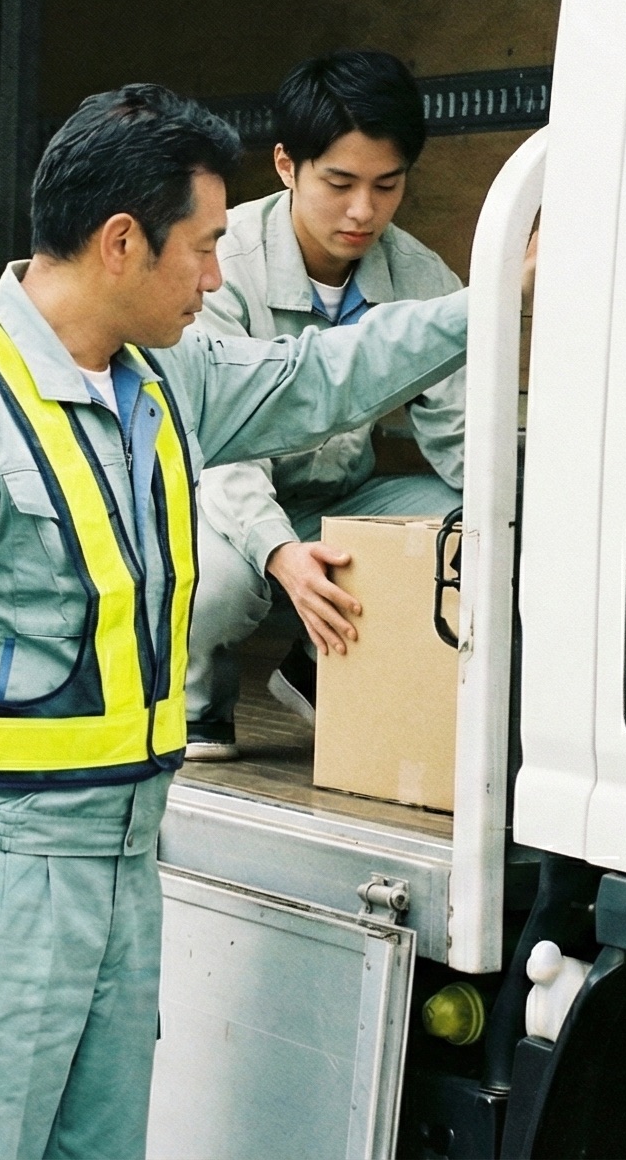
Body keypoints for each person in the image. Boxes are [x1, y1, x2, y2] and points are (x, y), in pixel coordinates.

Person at [0, 82, 471, 1160]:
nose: (218, 278)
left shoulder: (163, 381)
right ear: (123, 242)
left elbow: (325, 373)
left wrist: (494, 300)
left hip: (124, 859)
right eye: (205, 248)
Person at [181, 50, 463, 762]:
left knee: (467, 525)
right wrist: (280, 553)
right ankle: (194, 703)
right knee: (217, 582)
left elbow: (465, 436)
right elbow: (218, 450)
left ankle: (313, 671)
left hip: (338, 501)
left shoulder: (422, 276)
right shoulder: (221, 264)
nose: (363, 210)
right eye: (339, 183)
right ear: (287, 165)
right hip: (215, 501)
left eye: (387, 184)